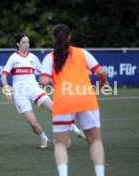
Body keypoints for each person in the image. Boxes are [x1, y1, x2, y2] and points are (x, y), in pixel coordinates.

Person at [39, 24, 108, 176]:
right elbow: (101, 71)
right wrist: (103, 83)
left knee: (61, 144)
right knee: (95, 141)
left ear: (53, 38)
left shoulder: (49, 57)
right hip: (86, 99)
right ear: (69, 37)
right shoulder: (82, 53)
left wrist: (50, 78)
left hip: (64, 101)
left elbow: (43, 81)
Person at [0, 33, 85, 149]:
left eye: (28, 42)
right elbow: (3, 76)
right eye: (24, 42)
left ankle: (77, 131)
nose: (27, 45)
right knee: (33, 124)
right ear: (17, 44)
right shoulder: (13, 58)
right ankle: (44, 138)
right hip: (20, 94)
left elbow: (45, 75)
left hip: (35, 89)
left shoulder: (33, 58)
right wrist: (6, 89)